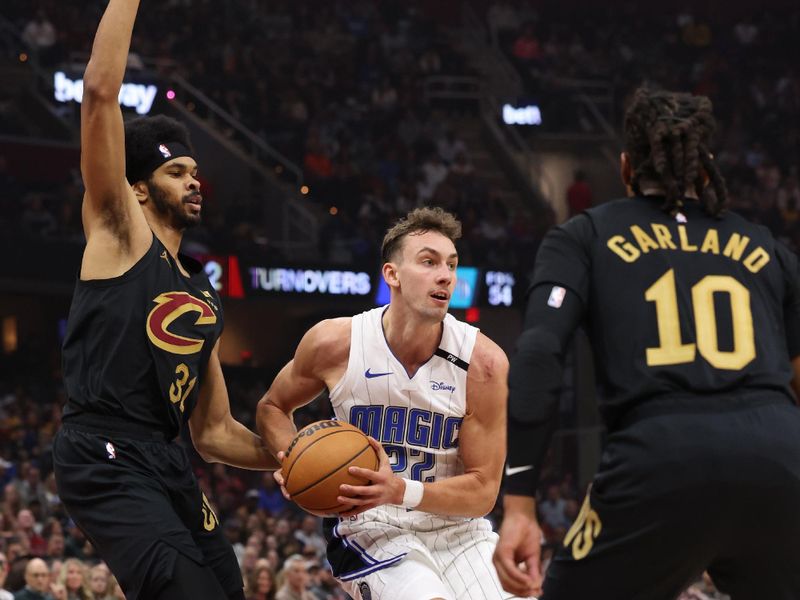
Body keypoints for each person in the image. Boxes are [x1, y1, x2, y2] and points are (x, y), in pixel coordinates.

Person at [493, 87, 800, 600]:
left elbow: (539, 357)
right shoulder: (768, 246)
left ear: (625, 167)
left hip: (661, 455)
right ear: (705, 171)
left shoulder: (584, 236)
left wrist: (520, 501)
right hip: (780, 454)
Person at [51, 2, 277, 599]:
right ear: (140, 188)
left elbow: (214, 431)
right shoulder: (119, 231)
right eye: (177, 171)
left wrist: (286, 455)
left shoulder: (201, 290)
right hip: (102, 450)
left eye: (195, 171)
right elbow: (100, 92)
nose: (194, 181)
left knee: (228, 589)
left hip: (167, 457)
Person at [257, 207, 527, 600]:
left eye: (451, 264)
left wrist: (400, 489)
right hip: (369, 526)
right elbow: (273, 407)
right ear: (392, 275)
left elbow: (484, 491)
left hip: (457, 531)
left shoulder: (483, 362)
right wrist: (293, 457)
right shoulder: (336, 342)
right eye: (429, 261)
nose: (445, 275)